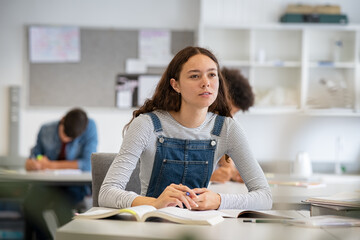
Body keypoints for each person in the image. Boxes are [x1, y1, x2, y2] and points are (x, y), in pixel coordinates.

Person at [99, 46, 271, 211]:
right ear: (175, 85)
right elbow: (107, 192)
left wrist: (219, 200)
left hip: (200, 227)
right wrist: (156, 203)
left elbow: (265, 197)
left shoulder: (227, 128)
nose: (206, 83)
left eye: (212, 75)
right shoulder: (146, 125)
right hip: (152, 225)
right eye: (195, 76)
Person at [24, 108, 98, 240]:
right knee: (29, 206)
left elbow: (87, 164)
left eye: (71, 139)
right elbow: (35, 156)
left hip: (74, 185)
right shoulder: (45, 129)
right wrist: (32, 164)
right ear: (62, 120)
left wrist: (50, 165)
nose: (65, 139)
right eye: (63, 134)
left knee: (61, 206)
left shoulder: (89, 127)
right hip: (47, 184)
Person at [210, 67, 254, 183]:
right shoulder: (195, 121)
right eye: (230, 110)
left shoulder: (226, 122)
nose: (230, 117)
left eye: (234, 113)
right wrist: (209, 177)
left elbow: (226, 155)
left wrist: (232, 172)